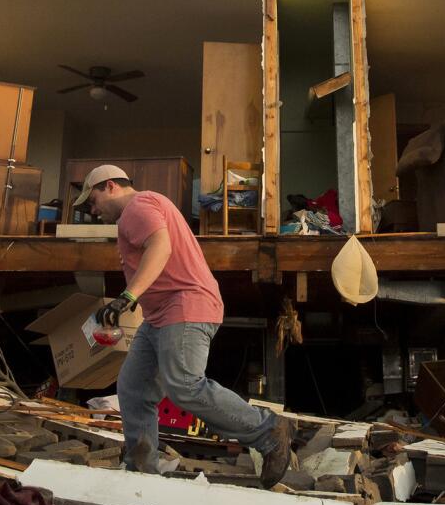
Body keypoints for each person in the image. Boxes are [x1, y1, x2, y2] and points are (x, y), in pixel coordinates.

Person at [73, 164, 293, 486]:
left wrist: (127, 296)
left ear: (109, 186)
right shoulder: (145, 206)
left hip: (185, 304)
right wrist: (132, 300)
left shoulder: (136, 207)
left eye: (91, 201)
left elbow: (161, 247)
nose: (92, 211)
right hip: (162, 313)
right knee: (133, 387)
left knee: (185, 385)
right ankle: (140, 471)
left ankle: (269, 431)